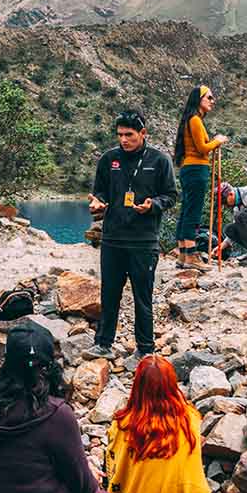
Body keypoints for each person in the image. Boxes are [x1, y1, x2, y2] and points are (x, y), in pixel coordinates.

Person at [0, 320, 117, 493]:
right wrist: (89, 470)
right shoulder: (56, 414)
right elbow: (83, 487)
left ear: (7, 362)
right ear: (49, 366)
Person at [83, 110, 177, 362]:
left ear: (143, 133)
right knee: (109, 294)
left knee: (142, 297)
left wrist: (153, 205)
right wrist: (97, 202)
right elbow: (100, 192)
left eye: (129, 135)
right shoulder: (108, 159)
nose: (123, 140)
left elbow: (170, 196)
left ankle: (145, 349)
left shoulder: (159, 160)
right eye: (120, 135)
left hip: (144, 241)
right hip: (112, 239)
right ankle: (103, 344)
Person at [105, 356, 209, 493]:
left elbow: (116, 468)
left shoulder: (125, 425)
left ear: (138, 386)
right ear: (172, 385)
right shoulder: (190, 419)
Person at [173, 86, 228, 271]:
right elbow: (202, 148)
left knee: (186, 210)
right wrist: (218, 141)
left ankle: (183, 254)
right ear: (199, 99)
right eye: (209, 97)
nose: (213, 101)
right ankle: (191, 256)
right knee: (193, 211)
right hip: (197, 169)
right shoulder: (195, 120)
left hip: (189, 169)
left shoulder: (191, 119)